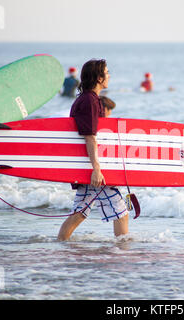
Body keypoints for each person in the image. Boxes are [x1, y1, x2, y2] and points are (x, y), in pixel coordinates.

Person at [58, 60, 129, 241]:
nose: (109, 75)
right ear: (99, 78)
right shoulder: (89, 101)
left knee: (79, 213)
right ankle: (122, 250)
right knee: (121, 211)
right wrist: (96, 169)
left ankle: (60, 244)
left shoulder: (90, 99)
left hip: (86, 165)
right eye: (107, 72)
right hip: (91, 167)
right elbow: (89, 136)